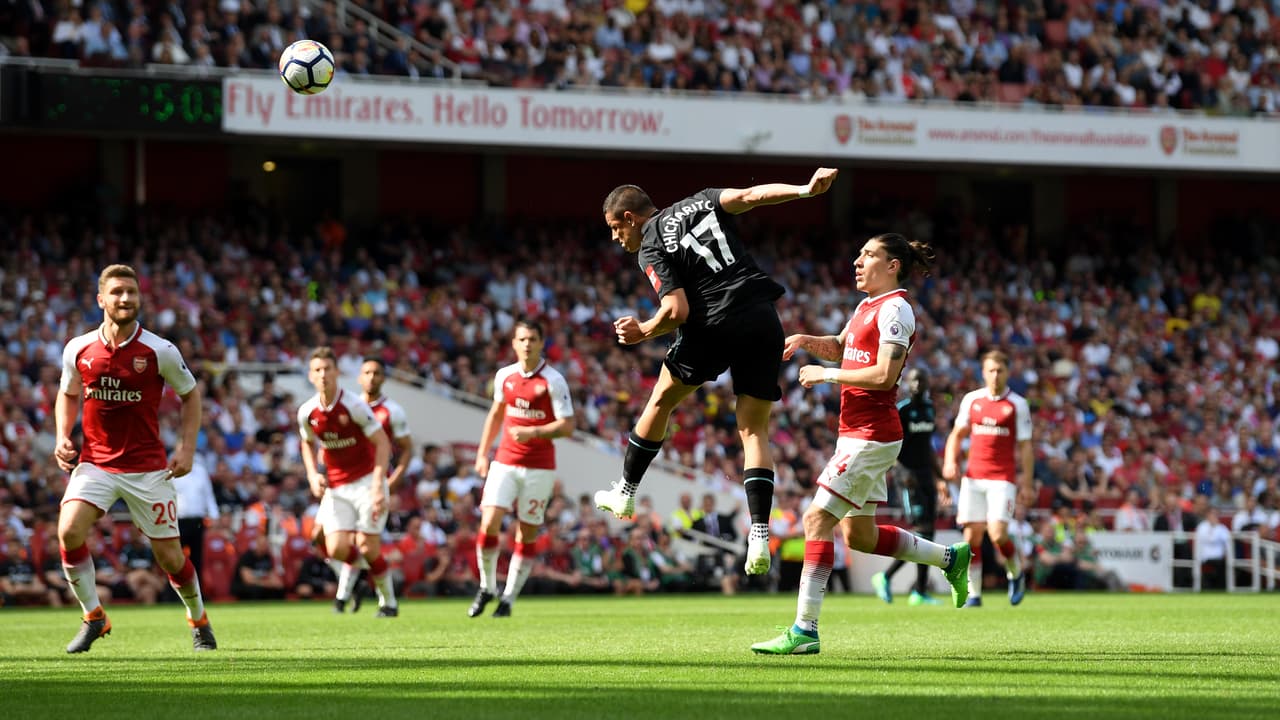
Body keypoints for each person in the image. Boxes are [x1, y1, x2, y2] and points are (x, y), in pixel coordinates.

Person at [593, 167, 840, 578]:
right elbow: (752, 196)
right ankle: (759, 532)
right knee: (754, 432)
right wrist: (803, 189)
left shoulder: (650, 243)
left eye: (615, 229)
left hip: (713, 324)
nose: (616, 238)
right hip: (761, 315)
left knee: (660, 401)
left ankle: (626, 491)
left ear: (630, 218)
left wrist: (643, 331)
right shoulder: (702, 198)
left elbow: (676, 311)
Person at [752, 234, 970, 655]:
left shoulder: (896, 308)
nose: (857, 261)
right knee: (860, 537)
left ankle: (804, 630)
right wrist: (804, 340)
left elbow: (886, 375)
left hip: (872, 434)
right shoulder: (866, 306)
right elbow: (842, 348)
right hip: (856, 432)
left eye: (868, 255)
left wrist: (825, 375)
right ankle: (950, 558)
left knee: (816, 520)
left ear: (892, 266)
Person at [53, 264, 216, 653]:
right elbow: (68, 392)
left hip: (147, 469)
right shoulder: (78, 348)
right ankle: (94, 617)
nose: (125, 299)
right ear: (101, 300)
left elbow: (191, 395)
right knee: (69, 532)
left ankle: (199, 620)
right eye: (117, 292)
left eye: (131, 292)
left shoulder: (160, 350)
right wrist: (62, 435)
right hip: (96, 463)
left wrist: (187, 448)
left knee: (170, 558)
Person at [468, 318, 575, 618]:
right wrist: (481, 453)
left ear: (541, 343)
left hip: (539, 468)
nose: (527, 344)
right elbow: (495, 415)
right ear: (514, 343)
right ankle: (487, 587)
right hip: (504, 461)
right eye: (522, 339)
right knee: (488, 522)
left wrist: (535, 433)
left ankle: (509, 598)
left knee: (526, 533)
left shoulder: (553, 380)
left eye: (532, 339)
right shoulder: (504, 376)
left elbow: (568, 425)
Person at [297, 346, 399, 617]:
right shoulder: (307, 412)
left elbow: (382, 443)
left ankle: (388, 602)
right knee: (336, 548)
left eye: (327, 369)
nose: (323, 375)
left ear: (337, 372)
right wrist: (311, 473)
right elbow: (306, 443)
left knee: (368, 546)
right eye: (317, 370)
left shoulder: (354, 405)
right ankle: (364, 577)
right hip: (337, 486)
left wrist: (379, 485)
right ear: (310, 376)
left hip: (367, 482)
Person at [321, 356, 416, 610]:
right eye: (367, 373)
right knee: (320, 538)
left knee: (365, 544)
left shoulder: (392, 411)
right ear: (359, 377)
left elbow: (407, 448)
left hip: (372, 483)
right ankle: (358, 583)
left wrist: (394, 480)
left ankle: (353, 597)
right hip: (341, 483)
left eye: (376, 373)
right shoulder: (347, 406)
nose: (371, 377)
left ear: (383, 378)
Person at [942, 349, 1033, 608]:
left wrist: (1026, 482)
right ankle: (975, 593)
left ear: (1007, 372)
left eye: (1000, 370)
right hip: (973, 477)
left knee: (997, 534)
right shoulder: (972, 400)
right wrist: (950, 461)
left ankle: (1016, 573)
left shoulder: (1017, 404)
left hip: (1002, 477)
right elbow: (956, 435)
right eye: (990, 370)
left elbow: (1026, 446)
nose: (995, 375)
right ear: (983, 372)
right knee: (971, 538)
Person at [872, 367, 945, 606]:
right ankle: (885, 576)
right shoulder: (902, 410)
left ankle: (920, 591)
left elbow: (928, 447)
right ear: (907, 383)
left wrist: (940, 477)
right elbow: (890, 445)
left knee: (928, 533)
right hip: (908, 476)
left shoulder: (929, 409)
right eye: (913, 380)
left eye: (921, 380)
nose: (917, 384)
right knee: (921, 531)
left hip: (926, 476)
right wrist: (899, 472)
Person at [172, 454, 219, 577]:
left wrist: (214, 515)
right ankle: (174, 592)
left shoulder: (201, 471)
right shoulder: (172, 470)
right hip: (179, 521)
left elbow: (208, 495)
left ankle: (197, 591)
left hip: (197, 521)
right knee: (176, 559)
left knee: (197, 557)